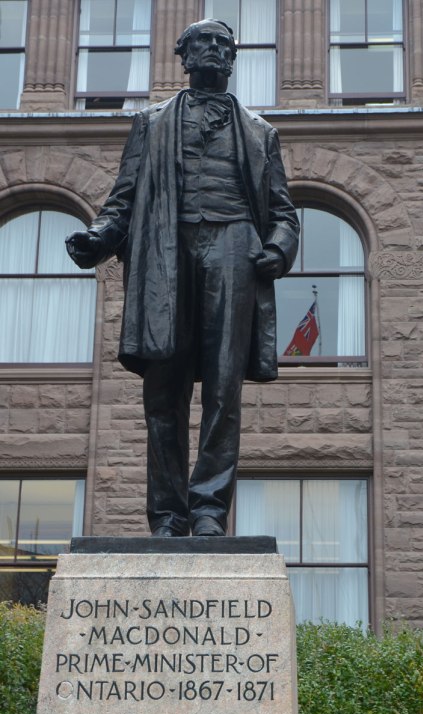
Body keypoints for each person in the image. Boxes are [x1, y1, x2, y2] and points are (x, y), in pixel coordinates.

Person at [66, 19, 299, 538]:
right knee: (163, 391)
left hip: (234, 247)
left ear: (233, 59)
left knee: (223, 388)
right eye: (203, 42)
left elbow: (284, 213)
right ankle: (168, 515)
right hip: (166, 253)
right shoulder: (150, 124)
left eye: (224, 43)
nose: (215, 49)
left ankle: (210, 508)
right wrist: (98, 238)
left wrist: (279, 249)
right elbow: (122, 200)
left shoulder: (262, 133)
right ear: (184, 56)